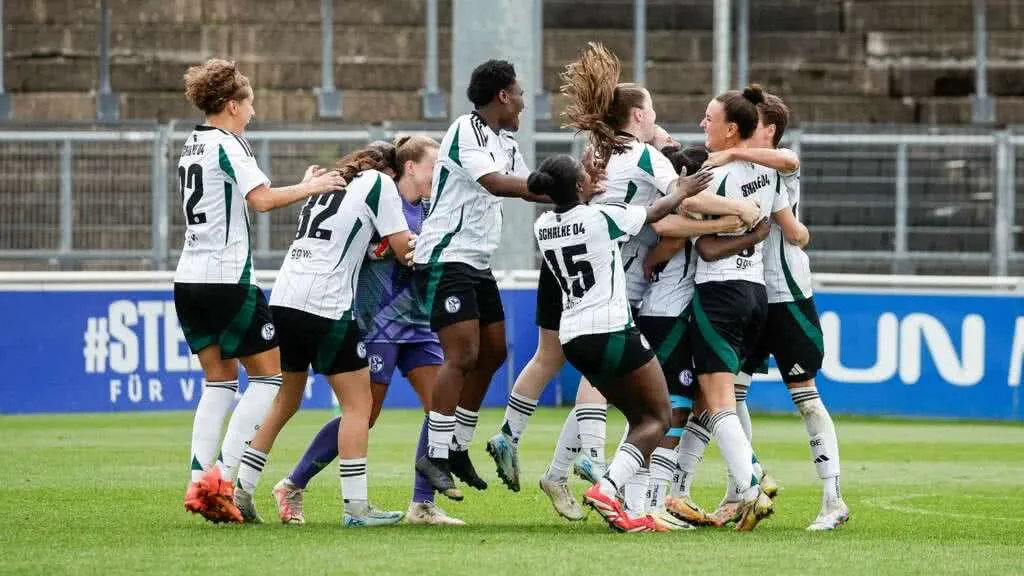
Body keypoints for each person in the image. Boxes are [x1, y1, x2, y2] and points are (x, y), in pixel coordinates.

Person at [486, 43, 759, 512]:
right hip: (612, 279)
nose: (657, 117)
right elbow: (680, 201)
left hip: (565, 262)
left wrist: (663, 145)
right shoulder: (642, 155)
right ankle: (598, 466)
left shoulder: (598, 149)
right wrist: (738, 209)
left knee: (554, 358)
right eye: (651, 110)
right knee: (635, 395)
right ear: (636, 115)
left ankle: (542, 459)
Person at [177, 59, 345, 523]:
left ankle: (198, 480)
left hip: (187, 279)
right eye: (250, 105)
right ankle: (222, 482)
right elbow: (263, 200)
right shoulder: (229, 144)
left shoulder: (191, 145)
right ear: (232, 105)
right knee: (269, 378)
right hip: (227, 280)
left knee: (219, 381)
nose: (252, 113)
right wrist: (312, 186)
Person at [270, 135, 465, 527]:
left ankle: (421, 505)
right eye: (433, 167)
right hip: (378, 322)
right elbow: (398, 251)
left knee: (440, 407)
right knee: (365, 414)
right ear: (410, 167)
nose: (438, 175)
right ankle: (293, 482)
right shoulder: (378, 197)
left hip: (418, 325)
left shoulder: (431, 208)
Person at [232, 141, 415, 527]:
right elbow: (405, 250)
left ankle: (243, 487)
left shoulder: (326, 183)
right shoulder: (380, 184)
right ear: (392, 171)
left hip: (284, 298)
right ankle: (356, 508)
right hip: (327, 304)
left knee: (286, 400)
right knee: (358, 406)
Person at [530, 153, 711, 532]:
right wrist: (683, 190)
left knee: (637, 418)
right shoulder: (600, 217)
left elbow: (568, 200)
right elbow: (655, 211)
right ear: (580, 187)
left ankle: (634, 509)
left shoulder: (544, 225)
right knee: (659, 417)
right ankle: (608, 490)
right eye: (586, 176)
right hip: (611, 330)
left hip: (574, 336)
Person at [702, 93, 849, 531]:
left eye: (757, 124)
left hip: (787, 295)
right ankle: (739, 489)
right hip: (749, 293)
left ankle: (833, 498)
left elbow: (790, 168)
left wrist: (732, 149)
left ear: (768, 131)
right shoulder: (736, 171)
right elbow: (797, 230)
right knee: (734, 394)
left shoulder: (777, 166)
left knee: (804, 393)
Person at [412, 60, 550, 501]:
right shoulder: (464, 131)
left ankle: (455, 446)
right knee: (464, 352)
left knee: (492, 352)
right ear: (504, 96)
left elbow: (532, 186)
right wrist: (553, 186)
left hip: (476, 262)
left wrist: (580, 190)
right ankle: (434, 453)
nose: (524, 103)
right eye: (521, 94)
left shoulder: (505, 140)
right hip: (444, 257)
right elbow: (497, 184)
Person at [677, 84, 794, 531]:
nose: (703, 124)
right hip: (754, 294)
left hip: (720, 293)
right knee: (720, 398)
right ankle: (738, 483)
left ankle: (751, 487)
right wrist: (744, 215)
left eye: (710, 118)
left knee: (717, 400)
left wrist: (726, 209)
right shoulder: (766, 173)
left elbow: (689, 205)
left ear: (731, 129)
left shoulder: (717, 169)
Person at [637, 144, 771, 527]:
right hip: (664, 314)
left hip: (681, 315)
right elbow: (670, 233)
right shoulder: (679, 204)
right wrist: (730, 222)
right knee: (674, 407)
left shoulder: (699, 205)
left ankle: (672, 494)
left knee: (699, 403)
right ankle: (650, 500)